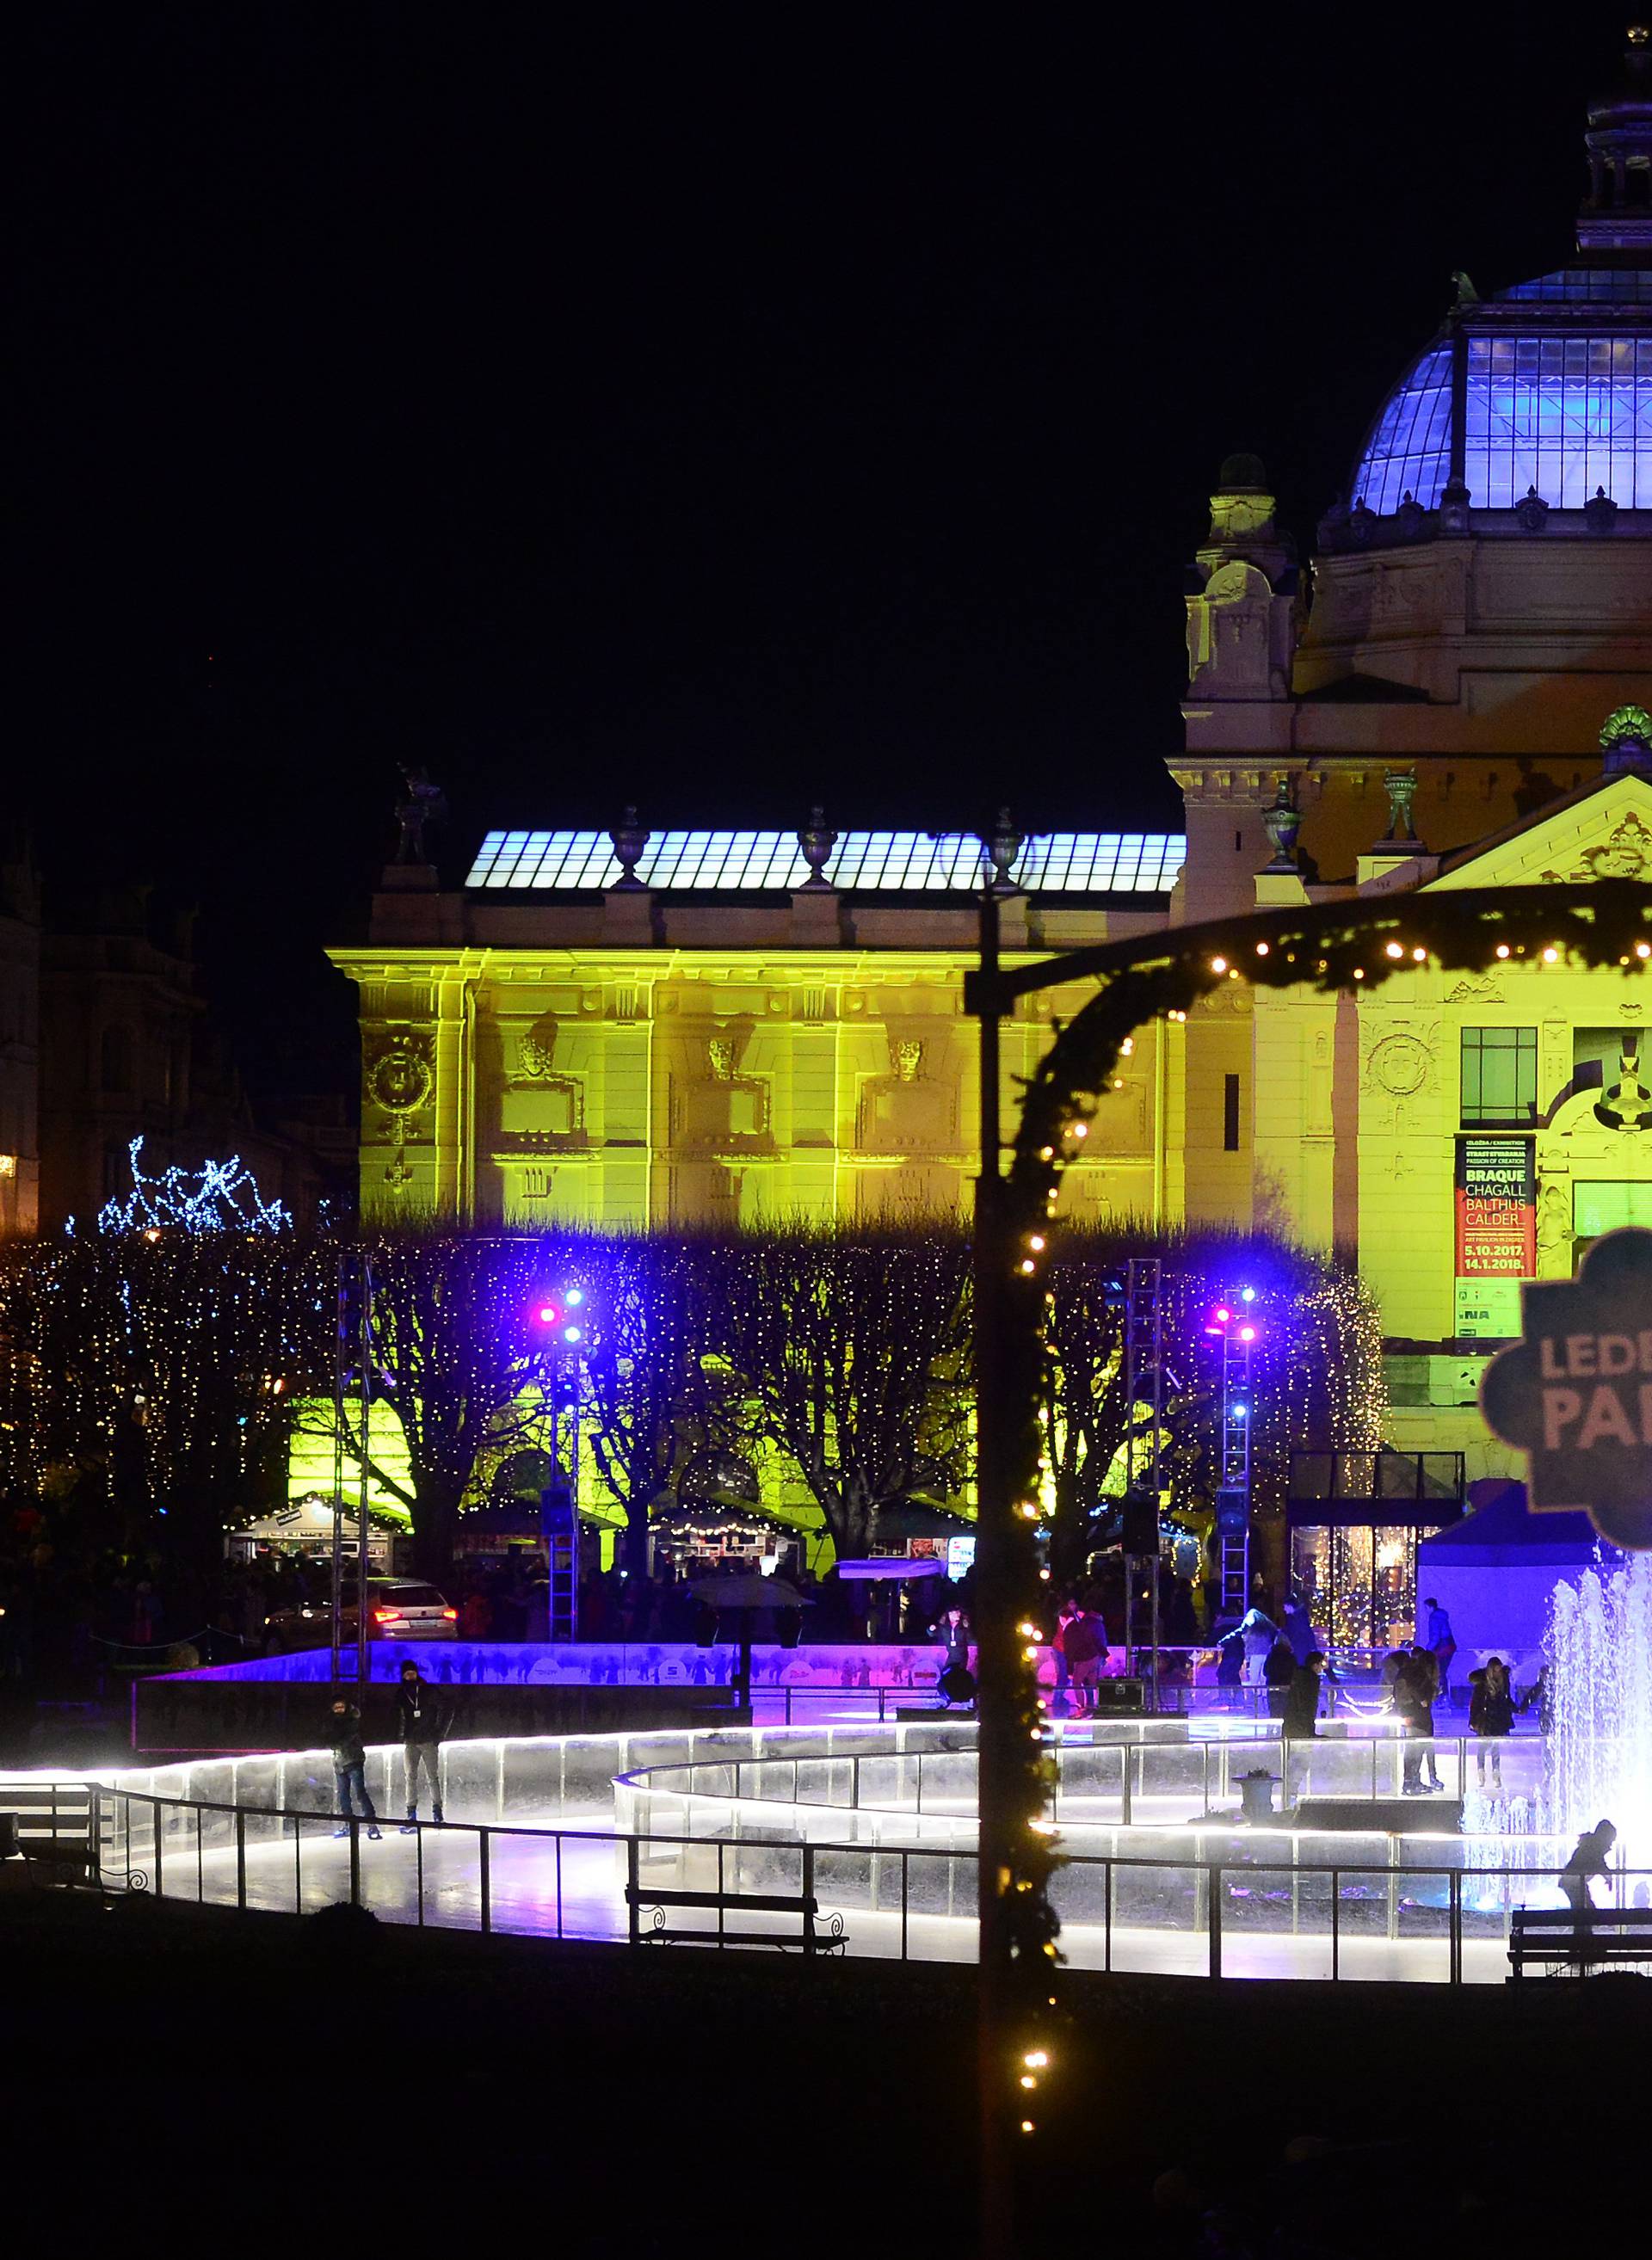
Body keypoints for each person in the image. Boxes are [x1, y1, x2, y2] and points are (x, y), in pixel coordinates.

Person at [397, 1660, 446, 1830]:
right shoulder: (401, 1693)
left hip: (428, 1740)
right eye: (407, 1673)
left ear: (417, 1673)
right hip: (411, 1741)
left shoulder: (429, 1690)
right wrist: (401, 1735)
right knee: (410, 1777)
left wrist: (439, 1734)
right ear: (403, 1675)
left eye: (412, 1672)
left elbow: (446, 1708)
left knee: (432, 1777)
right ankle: (411, 1815)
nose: (410, 1676)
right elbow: (398, 1716)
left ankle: (437, 1813)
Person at [1560, 1819, 1618, 1952]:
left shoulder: (1590, 1844)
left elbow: (1599, 1864)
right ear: (1604, 1836)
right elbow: (1600, 1864)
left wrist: (1607, 1877)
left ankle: (1583, 1944)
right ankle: (1583, 1945)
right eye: (1610, 1840)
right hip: (1574, 1883)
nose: (1610, 1844)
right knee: (1583, 1911)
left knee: (1584, 1910)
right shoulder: (1593, 1847)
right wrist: (1608, 1878)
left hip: (1574, 1882)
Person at [329, 1697, 381, 1839]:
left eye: (341, 1706)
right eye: (336, 1707)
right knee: (343, 1795)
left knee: (360, 1793)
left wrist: (336, 1743)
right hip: (340, 1763)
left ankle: (372, 1824)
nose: (339, 1709)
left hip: (353, 1761)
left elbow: (346, 1739)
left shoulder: (352, 1721)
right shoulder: (331, 1723)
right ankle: (348, 1825)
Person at [1469, 1655, 1516, 1789]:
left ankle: (1496, 1775)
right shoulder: (1482, 1684)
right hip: (1485, 1719)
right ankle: (1481, 1773)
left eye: (1499, 1670)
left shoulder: (1503, 1682)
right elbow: (1476, 1702)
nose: (1498, 1673)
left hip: (1498, 1719)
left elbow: (1506, 1699)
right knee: (1482, 1747)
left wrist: (1515, 1709)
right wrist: (1473, 1719)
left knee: (1495, 1748)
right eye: (1495, 1670)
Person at [1062, 1604, 1105, 1715]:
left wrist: (1070, 1670)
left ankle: (1082, 1707)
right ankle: (1093, 1706)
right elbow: (1099, 1640)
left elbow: (1070, 1650)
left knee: (1077, 1682)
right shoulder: (1094, 1622)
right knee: (1091, 1683)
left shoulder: (1073, 1628)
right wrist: (1105, 1654)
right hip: (1095, 1656)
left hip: (1086, 1658)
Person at [1281, 1650, 1326, 1741]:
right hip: (1301, 1725)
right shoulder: (1311, 1680)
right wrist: (1309, 1729)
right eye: (1321, 1664)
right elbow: (1308, 1705)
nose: (1323, 1668)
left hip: (1292, 1723)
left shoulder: (1299, 1676)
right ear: (1315, 1665)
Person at [1423, 1596, 1457, 1709]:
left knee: (1439, 1671)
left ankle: (1442, 1696)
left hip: (1442, 1647)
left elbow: (1435, 1635)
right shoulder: (1442, 1616)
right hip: (1448, 1645)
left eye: (1426, 1608)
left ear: (1429, 1607)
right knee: (1441, 1671)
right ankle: (1443, 1696)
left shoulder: (1434, 1618)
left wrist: (1428, 1649)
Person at [1263, 1636, 1297, 1720]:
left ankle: (1271, 1730)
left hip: (1272, 1687)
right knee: (1285, 1712)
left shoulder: (1271, 1656)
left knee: (1273, 1712)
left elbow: (1265, 1671)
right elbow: (1295, 1672)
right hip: (1286, 1688)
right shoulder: (1290, 1656)